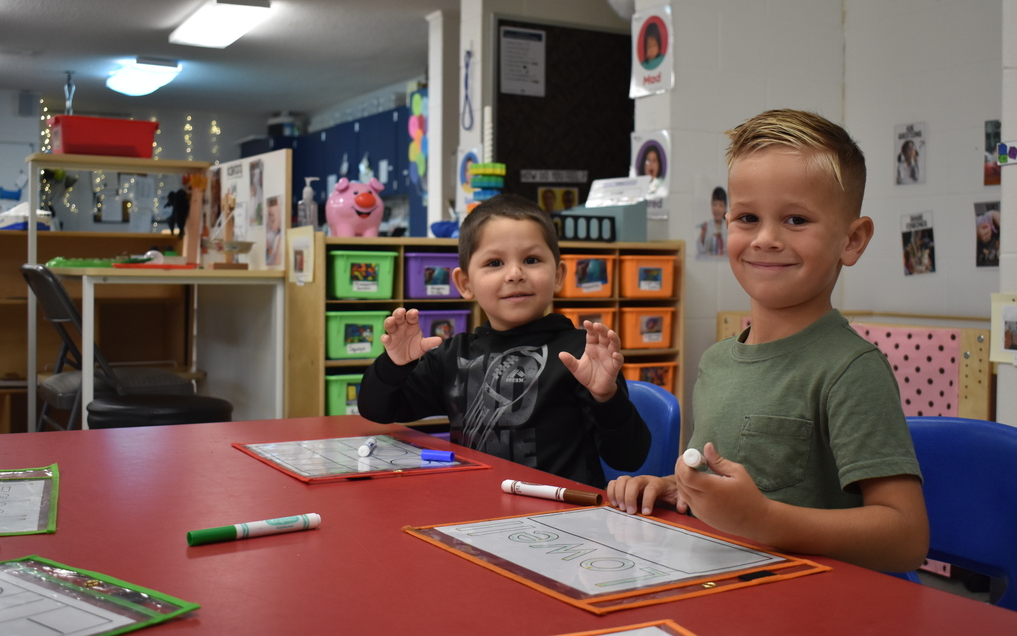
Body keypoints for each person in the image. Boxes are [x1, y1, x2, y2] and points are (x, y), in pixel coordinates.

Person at [608, 109, 929, 573]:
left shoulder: (850, 370)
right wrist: (675, 489)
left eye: (796, 219)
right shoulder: (717, 360)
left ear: (852, 240)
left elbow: (906, 538)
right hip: (712, 589)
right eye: (747, 217)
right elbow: (731, 492)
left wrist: (763, 519)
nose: (765, 239)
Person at [358, 194, 650, 488]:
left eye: (531, 260)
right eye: (495, 262)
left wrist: (606, 397)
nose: (515, 274)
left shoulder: (582, 356)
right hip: (476, 513)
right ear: (465, 283)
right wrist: (394, 365)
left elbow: (629, 457)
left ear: (559, 275)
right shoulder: (454, 355)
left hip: (562, 519)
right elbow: (377, 409)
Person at [695, 186, 727, 257]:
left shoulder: (729, 227)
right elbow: (701, 251)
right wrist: (703, 234)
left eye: (721, 205)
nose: (717, 209)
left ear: (725, 208)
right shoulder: (708, 226)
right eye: (714, 204)